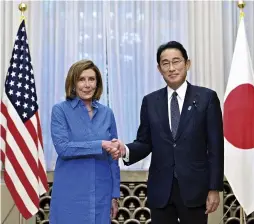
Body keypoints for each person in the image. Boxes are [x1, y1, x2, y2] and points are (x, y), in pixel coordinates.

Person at [111, 41, 224, 224]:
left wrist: (214, 188)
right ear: (159, 68)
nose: (171, 68)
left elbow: (216, 148)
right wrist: (125, 150)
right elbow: (145, 142)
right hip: (161, 189)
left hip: (195, 189)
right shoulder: (150, 101)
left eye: (176, 61)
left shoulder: (206, 98)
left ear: (187, 64)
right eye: (165, 63)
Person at [49, 59, 121, 224]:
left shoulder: (107, 113)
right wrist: (100, 144)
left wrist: (114, 195)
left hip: (101, 194)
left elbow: (113, 157)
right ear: (73, 83)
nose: (87, 85)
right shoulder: (60, 111)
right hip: (70, 194)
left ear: (97, 83)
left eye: (92, 79)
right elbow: (63, 148)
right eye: (81, 79)